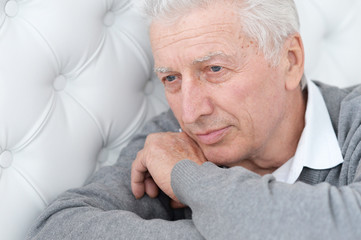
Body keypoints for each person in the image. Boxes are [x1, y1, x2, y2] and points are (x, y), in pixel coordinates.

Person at [27, 0, 361, 239]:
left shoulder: (354, 118)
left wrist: (189, 177)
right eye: (171, 78)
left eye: (214, 69)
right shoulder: (169, 142)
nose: (190, 113)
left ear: (290, 61)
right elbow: (57, 228)